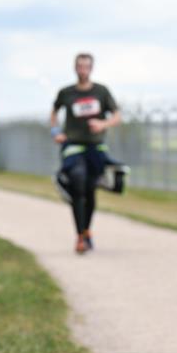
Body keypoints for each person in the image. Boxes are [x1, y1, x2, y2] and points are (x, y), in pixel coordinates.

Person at [50, 53, 122, 254]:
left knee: (90, 191)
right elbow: (54, 112)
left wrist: (103, 124)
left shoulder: (101, 91)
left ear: (91, 68)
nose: (83, 70)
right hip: (73, 147)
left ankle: (86, 231)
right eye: (80, 66)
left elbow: (117, 116)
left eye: (86, 66)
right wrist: (56, 132)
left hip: (95, 147)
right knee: (78, 183)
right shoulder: (66, 92)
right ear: (75, 68)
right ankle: (80, 237)